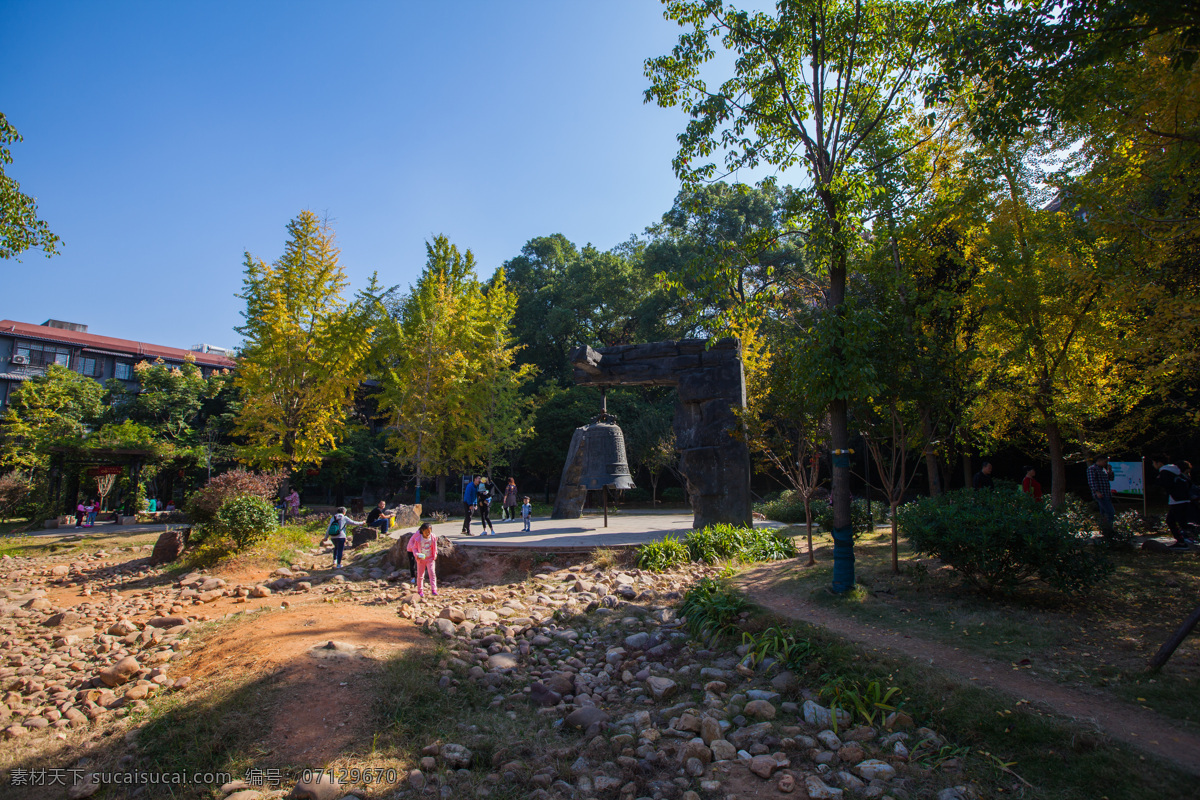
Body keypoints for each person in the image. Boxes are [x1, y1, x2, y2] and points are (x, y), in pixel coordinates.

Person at [1151, 456, 1197, 549]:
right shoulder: (1175, 470)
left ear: (1159, 463)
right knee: (1176, 521)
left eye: (1154, 463)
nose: (1153, 465)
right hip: (1182, 499)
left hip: (1177, 500)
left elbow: (1164, 484)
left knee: (1176, 522)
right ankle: (1182, 541)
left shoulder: (1165, 471)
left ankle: (1183, 541)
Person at [406, 522, 438, 597]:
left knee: (432, 573)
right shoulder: (418, 539)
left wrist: (435, 553)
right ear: (422, 531)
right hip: (421, 560)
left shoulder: (433, 537)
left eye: (429, 532)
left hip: (430, 558)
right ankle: (420, 590)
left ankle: (434, 589)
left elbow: (435, 546)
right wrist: (416, 555)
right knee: (420, 575)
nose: (428, 533)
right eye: (426, 532)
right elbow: (414, 548)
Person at [1087, 455, 1116, 535]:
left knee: (1104, 513)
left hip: (1106, 493)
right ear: (1099, 460)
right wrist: (1096, 491)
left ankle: (1105, 529)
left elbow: (1111, 479)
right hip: (1101, 494)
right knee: (1110, 512)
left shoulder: (1103, 469)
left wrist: (1110, 471)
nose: (1105, 463)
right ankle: (1108, 529)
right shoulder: (1092, 469)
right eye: (1105, 461)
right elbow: (1091, 481)